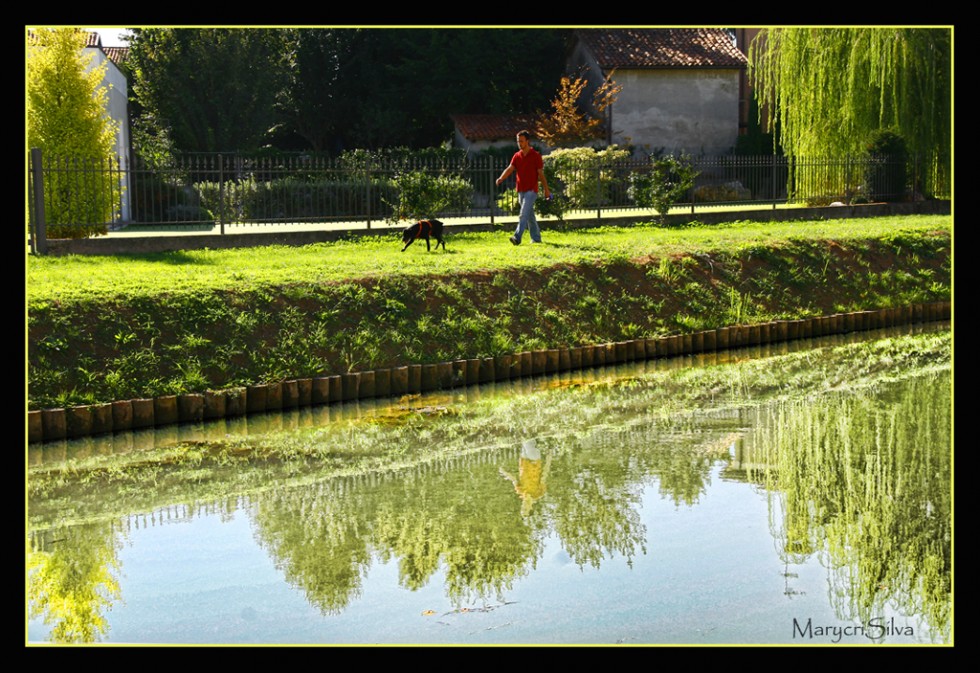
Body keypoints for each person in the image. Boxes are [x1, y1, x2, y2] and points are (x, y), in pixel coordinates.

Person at [495, 130, 551, 245]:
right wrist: (501, 178)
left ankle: (517, 237)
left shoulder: (536, 156)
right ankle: (536, 238)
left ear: (527, 141)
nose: (519, 143)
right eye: (518, 141)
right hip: (520, 190)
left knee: (523, 214)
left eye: (521, 141)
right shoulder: (517, 156)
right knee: (529, 215)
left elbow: (541, 174)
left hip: (532, 190)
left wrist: (546, 190)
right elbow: (510, 168)